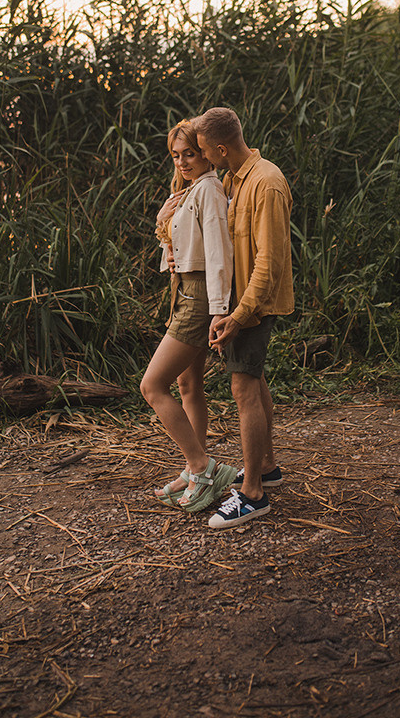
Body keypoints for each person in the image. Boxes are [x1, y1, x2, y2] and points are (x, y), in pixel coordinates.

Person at [192, 108, 294, 529]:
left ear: (220, 148)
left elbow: (269, 262)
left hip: (254, 304)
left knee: (243, 389)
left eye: (202, 152)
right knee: (254, 379)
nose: (200, 158)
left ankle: (253, 493)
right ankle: (267, 466)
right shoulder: (235, 178)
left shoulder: (266, 183)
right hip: (241, 301)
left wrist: (239, 314)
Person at [140, 119, 237, 512]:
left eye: (190, 154)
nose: (182, 162)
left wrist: (218, 310)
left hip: (199, 297)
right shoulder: (190, 190)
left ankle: (203, 465)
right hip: (184, 291)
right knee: (187, 386)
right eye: (176, 156)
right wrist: (163, 218)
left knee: (152, 386)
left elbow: (217, 253)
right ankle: (193, 470)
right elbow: (177, 252)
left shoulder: (209, 189)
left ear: (204, 153)